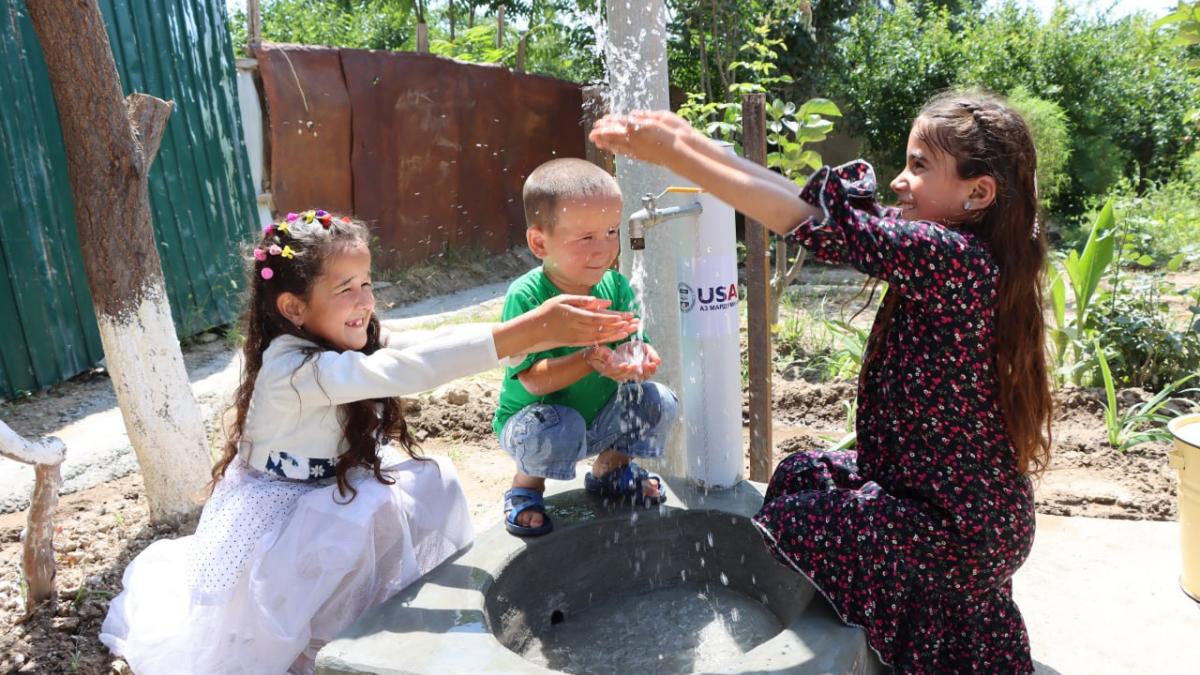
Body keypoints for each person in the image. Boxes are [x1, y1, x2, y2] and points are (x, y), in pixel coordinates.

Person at [590, 90, 1051, 673]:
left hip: (957, 528)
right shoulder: (951, 251)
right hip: (934, 496)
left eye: (919, 166)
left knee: (796, 522)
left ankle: (891, 632)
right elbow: (810, 206)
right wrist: (692, 145)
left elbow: (812, 224)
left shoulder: (954, 260)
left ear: (977, 192)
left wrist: (681, 159)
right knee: (800, 474)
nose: (900, 181)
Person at [100, 209, 638, 674]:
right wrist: (531, 329)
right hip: (280, 512)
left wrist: (537, 327)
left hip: (335, 486)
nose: (364, 301)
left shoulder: (351, 334)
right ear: (292, 307)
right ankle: (332, 649)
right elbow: (409, 370)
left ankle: (375, 621)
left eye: (366, 282)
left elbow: (431, 345)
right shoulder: (289, 369)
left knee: (426, 485)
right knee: (349, 528)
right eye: (345, 288)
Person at [493, 158, 679, 537]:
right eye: (586, 238)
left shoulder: (614, 287)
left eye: (611, 231)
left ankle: (611, 469)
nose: (605, 248)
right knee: (558, 426)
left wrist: (636, 360)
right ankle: (526, 487)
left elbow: (634, 343)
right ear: (539, 242)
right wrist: (589, 361)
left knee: (657, 399)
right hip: (537, 427)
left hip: (597, 420)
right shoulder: (528, 296)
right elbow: (533, 382)